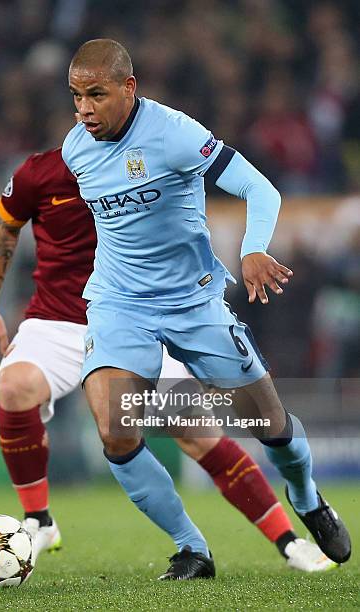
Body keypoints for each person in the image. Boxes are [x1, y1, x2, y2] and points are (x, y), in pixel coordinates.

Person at [0, 146, 336, 575]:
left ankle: (289, 541)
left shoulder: (151, 162)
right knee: (14, 386)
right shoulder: (41, 173)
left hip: (138, 320)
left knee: (198, 433)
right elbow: (4, 227)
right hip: (58, 321)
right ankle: (41, 520)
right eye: (81, 101)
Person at [61, 38, 351, 577]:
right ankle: (192, 547)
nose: (84, 110)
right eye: (76, 96)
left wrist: (254, 249)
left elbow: (259, 189)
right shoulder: (75, 148)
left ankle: (307, 498)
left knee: (270, 424)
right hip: (119, 302)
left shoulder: (175, 134)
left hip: (194, 300)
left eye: (95, 95)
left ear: (129, 87)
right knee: (115, 428)